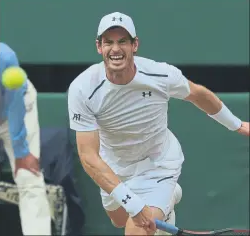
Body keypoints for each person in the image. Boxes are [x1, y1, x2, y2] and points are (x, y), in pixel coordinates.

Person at [67, 12, 249, 236]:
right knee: (119, 219)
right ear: (99, 47)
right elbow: (89, 157)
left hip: (158, 164)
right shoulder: (82, 89)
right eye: (109, 42)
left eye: (123, 41)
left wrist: (237, 124)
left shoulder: (160, 74)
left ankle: (164, 195)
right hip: (114, 165)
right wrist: (132, 203)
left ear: (135, 45)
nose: (115, 49)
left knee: (136, 231)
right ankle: (169, 201)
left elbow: (198, 94)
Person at [0, 42, 52, 235]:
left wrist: (21, 150)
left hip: (17, 108)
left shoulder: (5, 57)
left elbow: (15, 106)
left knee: (28, 176)